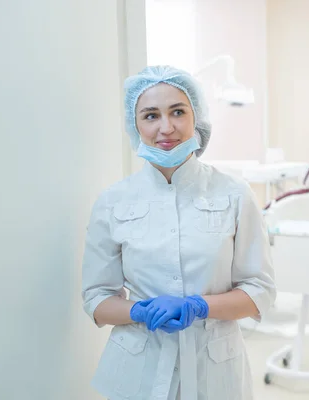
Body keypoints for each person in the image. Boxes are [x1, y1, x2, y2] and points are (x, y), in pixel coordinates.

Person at [81, 65, 276, 400]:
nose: (165, 128)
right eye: (151, 115)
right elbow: (96, 298)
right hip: (137, 372)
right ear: (135, 125)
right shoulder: (113, 201)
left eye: (177, 112)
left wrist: (198, 306)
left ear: (195, 117)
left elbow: (260, 290)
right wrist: (139, 311)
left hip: (215, 372)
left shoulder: (234, 194)